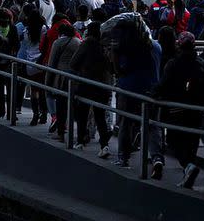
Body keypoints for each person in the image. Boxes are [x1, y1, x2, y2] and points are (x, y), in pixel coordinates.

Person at [152, 32, 204, 187]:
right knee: (192, 142)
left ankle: (188, 166)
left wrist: (154, 93)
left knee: (174, 141)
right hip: (197, 110)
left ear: (179, 44)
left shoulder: (173, 64)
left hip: (176, 109)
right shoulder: (202, 64)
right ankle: (188, 171)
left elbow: (163, 84)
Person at [107, 15, 163, 168]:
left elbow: (119, 71)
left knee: (126, 122)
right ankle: (157, 158)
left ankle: (123, 158)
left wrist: (114, 54)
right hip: (152, 90)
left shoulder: (126, 49)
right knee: (153, 125)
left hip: (129, 90)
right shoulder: (156, 46)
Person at [70, 22, 112, 156]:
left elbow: (73, 63)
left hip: (86, 83)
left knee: (82, 113)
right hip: (103, 84)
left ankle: (80, 141)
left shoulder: (87, 43)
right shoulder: (105, 45)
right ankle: (104, 145)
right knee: (100, 116)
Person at [45, 23, 82, 142]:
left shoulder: (58, 42)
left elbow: (51, 63)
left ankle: (61, 133)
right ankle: (81, 134)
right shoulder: (78, 42)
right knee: (75, 106)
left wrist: (48, 82)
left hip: (61, 78)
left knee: (61, 105)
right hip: (76, 78)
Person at [17, 5, 48, 125]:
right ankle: (44, 113)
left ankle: (35, 114)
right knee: (43, 89)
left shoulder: (26, 30)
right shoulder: (44, 29)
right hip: (41, 61)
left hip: (29, 62)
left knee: (34, 90)